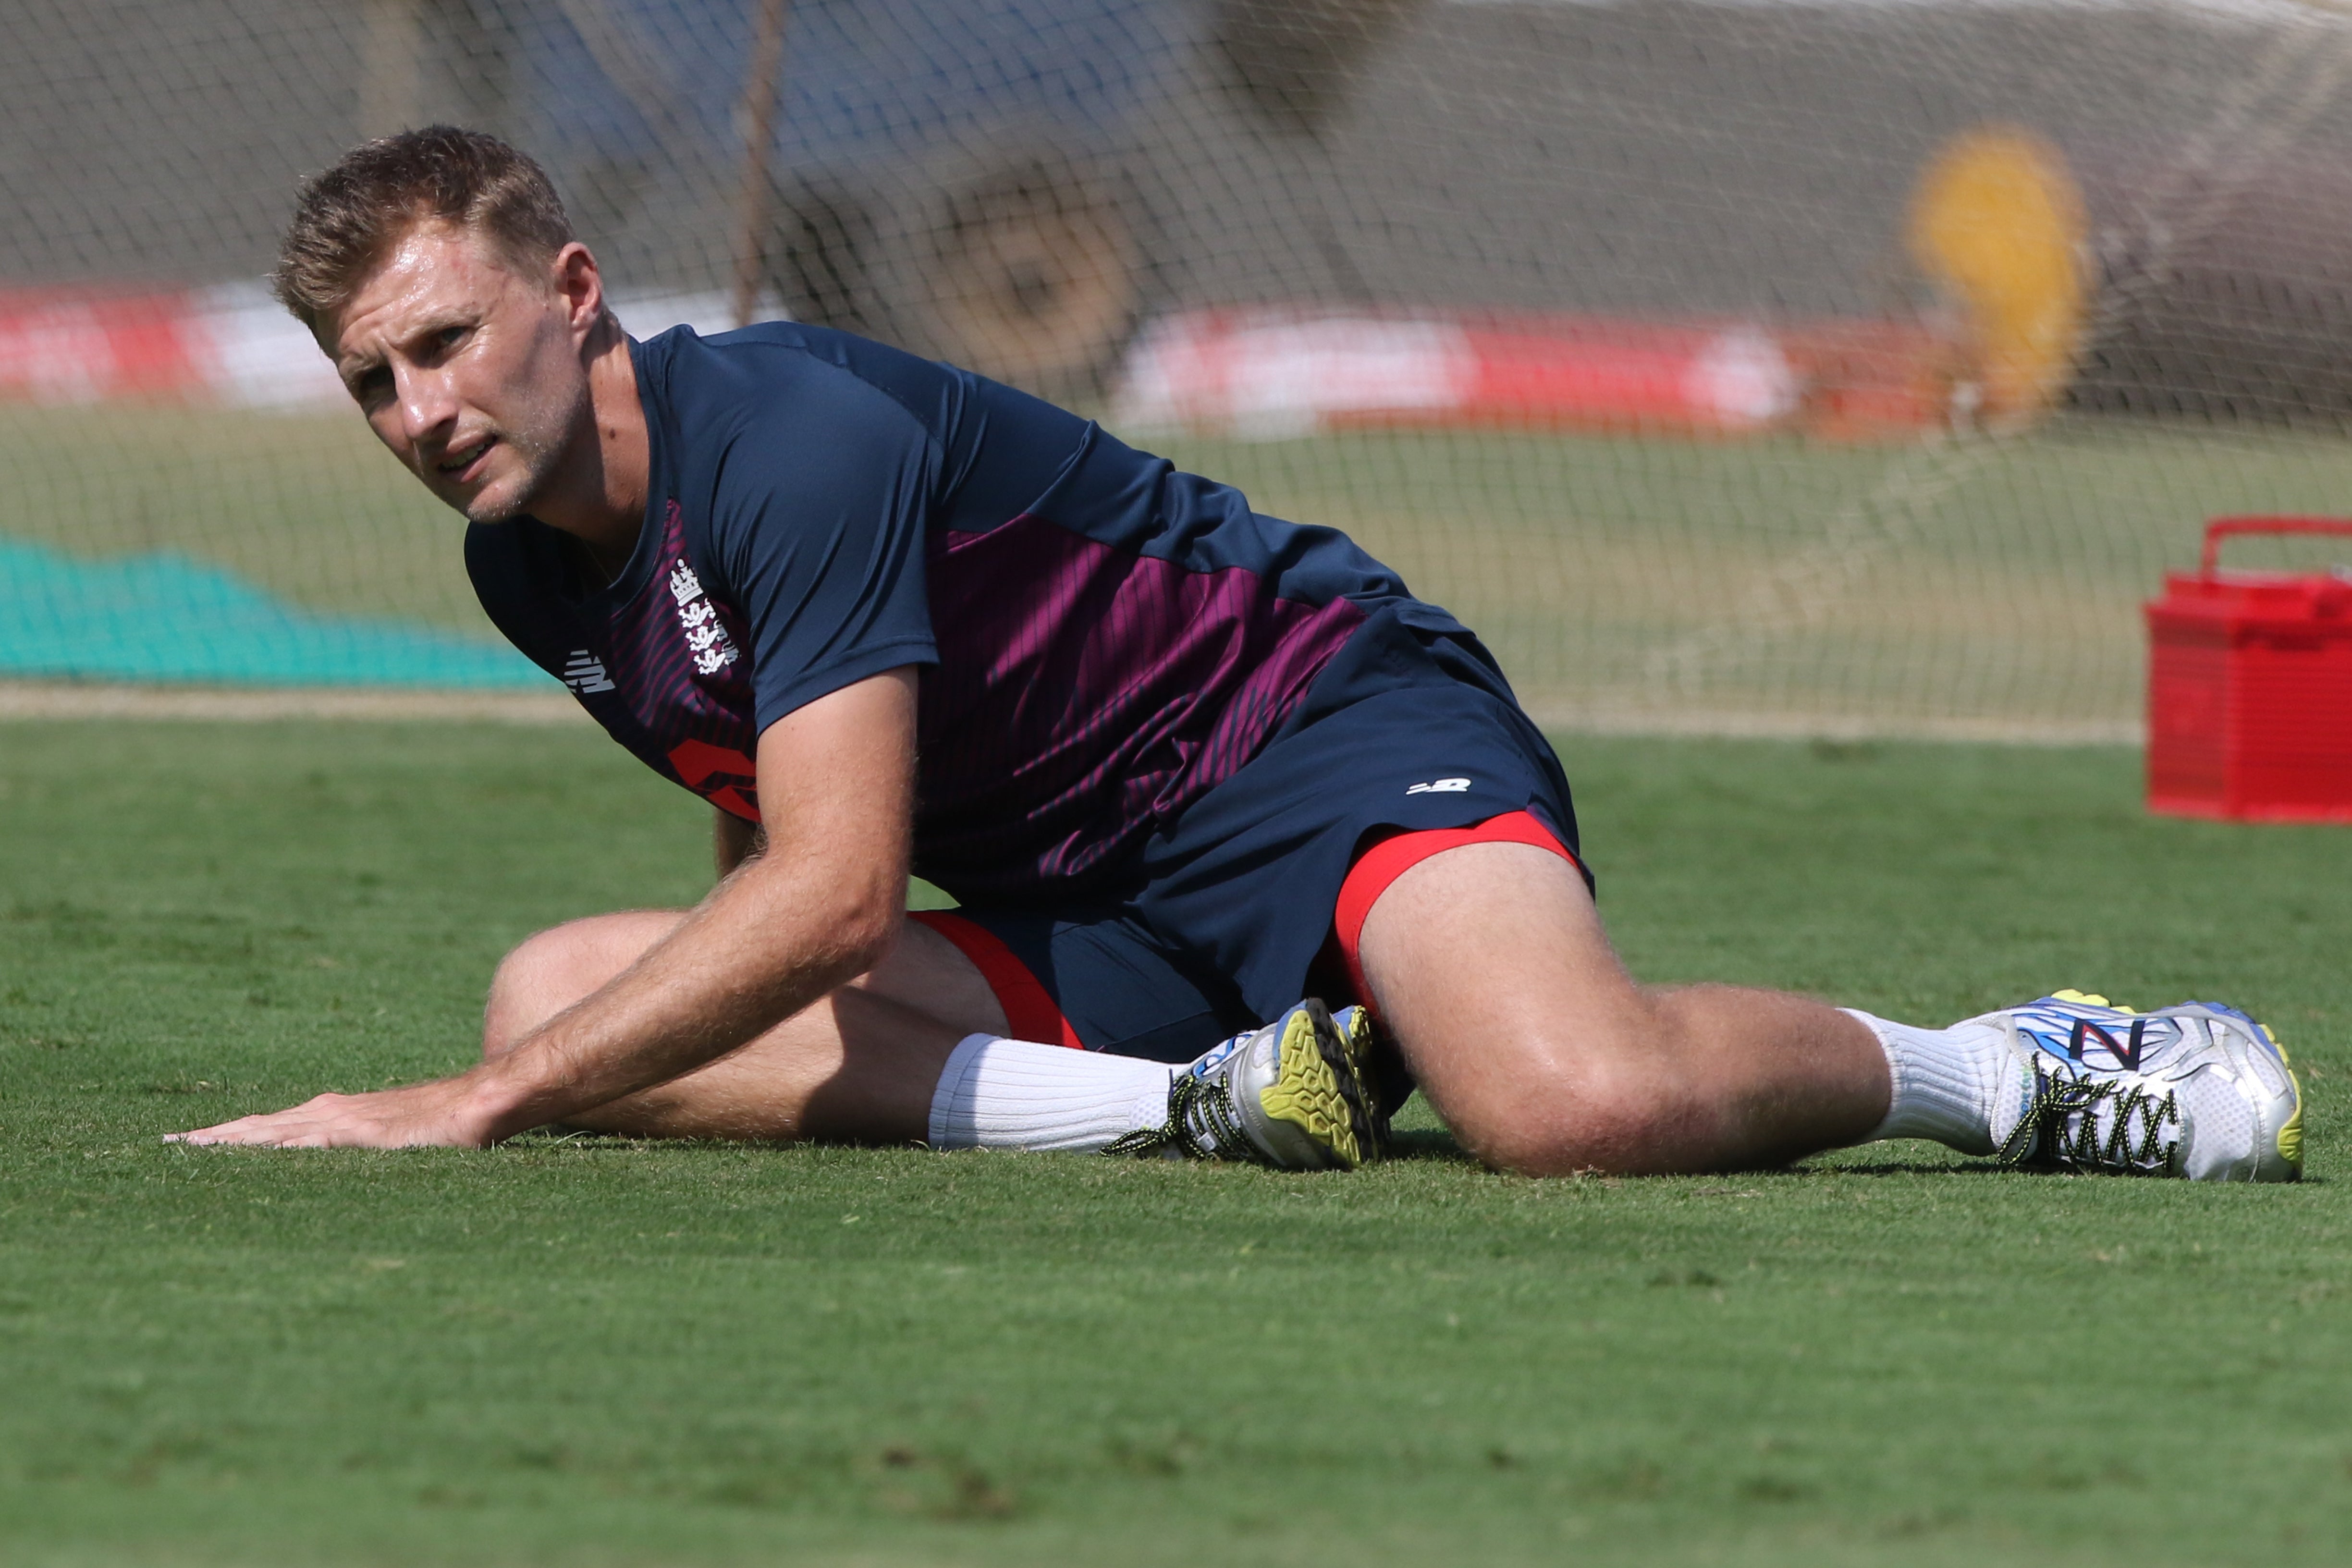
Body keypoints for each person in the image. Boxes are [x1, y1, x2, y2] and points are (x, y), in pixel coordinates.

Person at [172, 127, 2303, 1184]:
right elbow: (796, 864)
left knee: (1568, 1109)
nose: (421, 409)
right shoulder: (527, 563)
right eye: (373, 382)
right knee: (558, 980)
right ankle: (1201, 1101)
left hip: (1313, 736)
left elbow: (833, 897)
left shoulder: (785, 440)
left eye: (444, 343)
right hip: (1080, 908)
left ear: (571, 291)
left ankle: (2021, 1070)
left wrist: (471, 1110)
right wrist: (563, 1051)